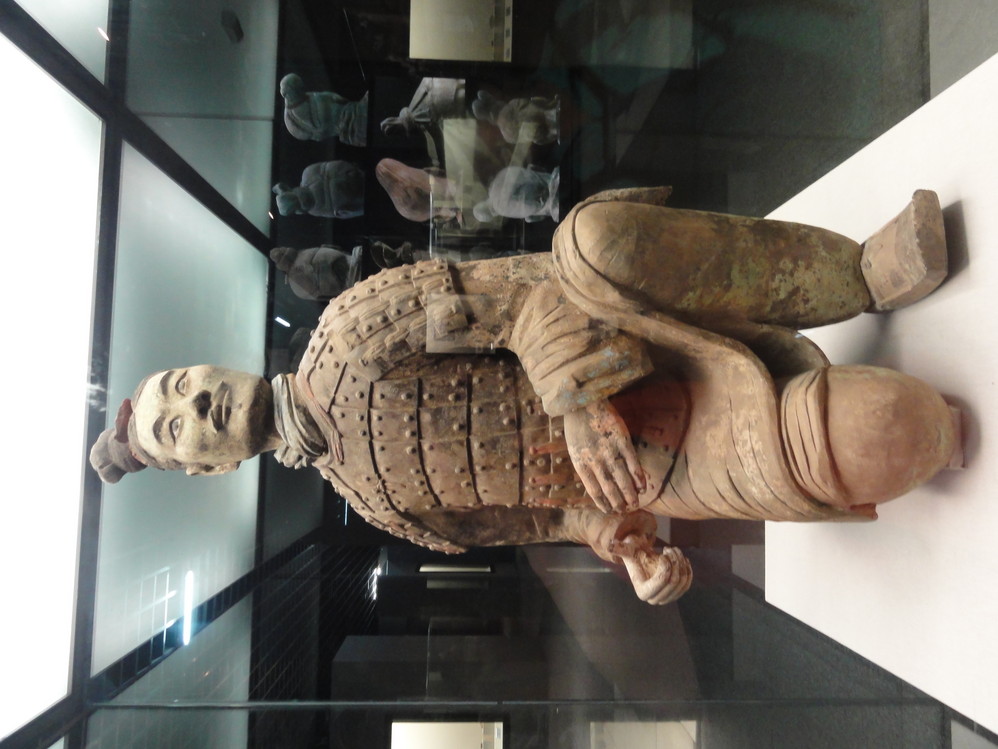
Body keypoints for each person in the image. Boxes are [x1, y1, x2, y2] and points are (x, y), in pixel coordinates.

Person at [90, 187, 958, 605]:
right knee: (886, 428)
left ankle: (860, 274)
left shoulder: (350, 329)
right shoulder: (375, 502)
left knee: (592, 238)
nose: (194, 404)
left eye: (181, 385)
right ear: (208, 468)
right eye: (175, 427)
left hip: (630, 328)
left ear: (207, 366)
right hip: (661, 451)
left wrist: (576, 400)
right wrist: (621, 544)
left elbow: (525, 296)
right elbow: (545, 517)